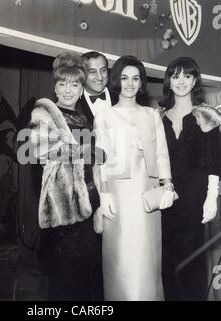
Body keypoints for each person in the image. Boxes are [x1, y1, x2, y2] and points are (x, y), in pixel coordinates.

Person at [93, 55, 175, 301]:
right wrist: (103, 194)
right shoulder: (104, 116)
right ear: (117, 81)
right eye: (124, 78)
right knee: (120, 260)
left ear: (141, 84)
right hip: (117, 197)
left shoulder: (152, 115)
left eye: (135, 78)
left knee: (147, 261)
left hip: (147, 198)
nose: (130, 83)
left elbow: (162, 155)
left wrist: (168, 186)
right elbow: (100, 160)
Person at [29, 52, 104, 300]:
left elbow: (100, 156)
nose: (68, 90)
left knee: (87, 277)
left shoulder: (87, 116)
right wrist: (88, 151)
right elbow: (41, 153)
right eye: (62, 84)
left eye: (74, 84)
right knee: (63, 279)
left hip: (90, 201)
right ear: (55, 86)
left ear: (82, 88)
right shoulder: (44, 112)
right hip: (62, 204)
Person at [159, 57, 220, 301]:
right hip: (165, 199)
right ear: (169, 81)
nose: (181, 81)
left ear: (195, 80)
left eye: (187, 76)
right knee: (167, 265)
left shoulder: (208, 115)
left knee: (192, 265)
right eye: (175, 76)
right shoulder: (158, 116)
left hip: (195, 200)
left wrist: (211, 198)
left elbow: (215, 160)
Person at [80, 51, 112, 127]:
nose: (100, 77)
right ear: (82, 74)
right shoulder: (75, 105)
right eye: (92, 72)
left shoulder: (122, 97)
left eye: (103, 70)